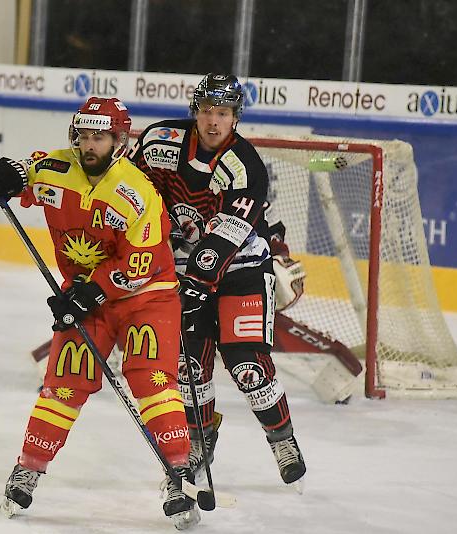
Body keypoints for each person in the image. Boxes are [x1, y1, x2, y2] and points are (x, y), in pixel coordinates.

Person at [0, 97, 200, 530]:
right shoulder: (57, 168)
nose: (89, 145)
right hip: (86, 295)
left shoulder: (137, 192)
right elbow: (25, 174)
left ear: (119, 141)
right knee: (64, 381)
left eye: (100, 137)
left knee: (149, 379)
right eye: (83, 136)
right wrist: (3, 177)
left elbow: (143, 264)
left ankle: (178, 472)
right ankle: (30, 466)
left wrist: (90, 291)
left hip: (147, 297)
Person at [129, 73, 306, 487]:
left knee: (248, 366)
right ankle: (198, 440)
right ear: (196, 111)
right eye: (207, 111)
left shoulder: (245, 165)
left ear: (235, 117)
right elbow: (130, 190)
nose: (213, 122)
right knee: (190, 366)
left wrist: (197, 280)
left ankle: (282, 438)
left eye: (222, 113)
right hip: (182, 271)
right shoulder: (160, 142)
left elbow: (227, 234)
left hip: (240, 269)